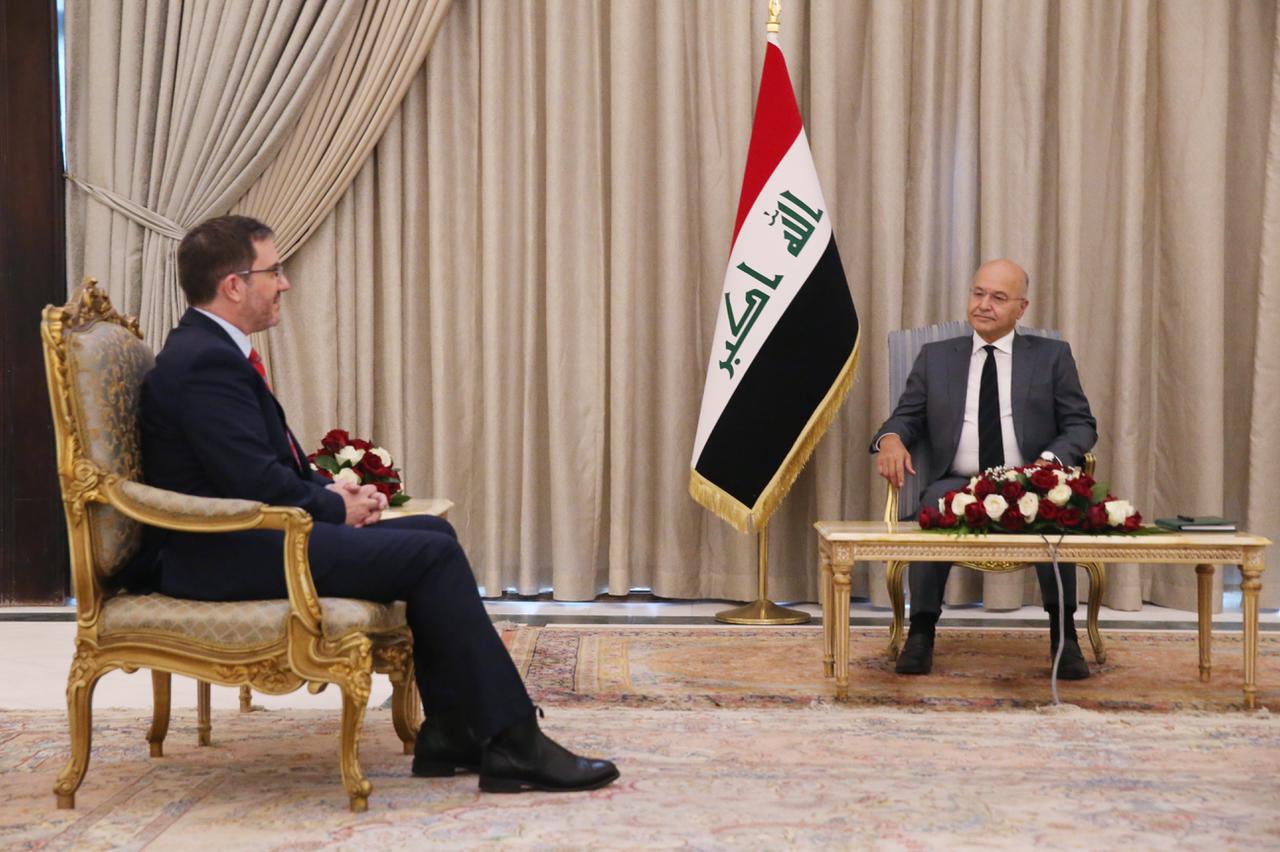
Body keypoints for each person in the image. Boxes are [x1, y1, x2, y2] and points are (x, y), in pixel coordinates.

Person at [139, 215, 618, 793]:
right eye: (274, 271)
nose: (284, 283)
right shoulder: (204, 361)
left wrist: (334, 493)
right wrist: (334, 509)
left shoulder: (210, 349)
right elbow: (253, 481)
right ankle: (514, 739)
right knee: (430, 556)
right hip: (218, 552)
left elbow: (259, 468)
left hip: (252, 534)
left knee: (434, 536)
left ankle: (451, 730)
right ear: (234, 285)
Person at [869, 259, 1098, 679]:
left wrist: (1049, 463)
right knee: (933, 507)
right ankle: (921, 632)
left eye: (998, 297)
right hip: (958, 483)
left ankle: (1064, 636)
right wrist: (890, 439)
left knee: (1055, 513)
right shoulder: (936, 357)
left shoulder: (1051, 356)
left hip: (1028, 480)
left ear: (1021, 307)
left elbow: (1081, 424)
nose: (984, 305)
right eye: (978, 293)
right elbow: (906, 417)